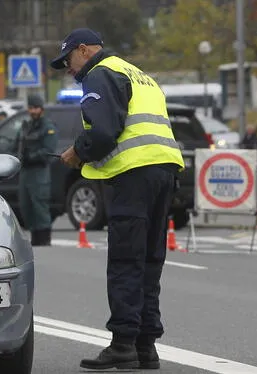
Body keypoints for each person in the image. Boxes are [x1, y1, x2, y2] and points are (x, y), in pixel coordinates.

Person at [50, 28, 184, 371]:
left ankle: (124, 344)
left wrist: (77, 153)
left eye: (68, 61)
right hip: (164, 171)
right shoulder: (139, 75)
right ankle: (145, 346)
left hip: (133, 174)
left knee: (127, 261)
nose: (69, 69)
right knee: (150, 263)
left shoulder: (100, 73)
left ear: (83, 50)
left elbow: (105, 132)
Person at [15, 95, 57, 246]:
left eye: (35, 108)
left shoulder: (48, 127)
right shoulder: (27, 126)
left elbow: (48, 151)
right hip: (26, 172)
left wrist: (31, 156)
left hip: (39, 172)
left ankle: (44, 239)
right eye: (31, 108)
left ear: (41, 109)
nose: (33, 111)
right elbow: (17, 145)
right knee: (26, 206)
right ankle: (35, 237)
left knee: (39, 207)